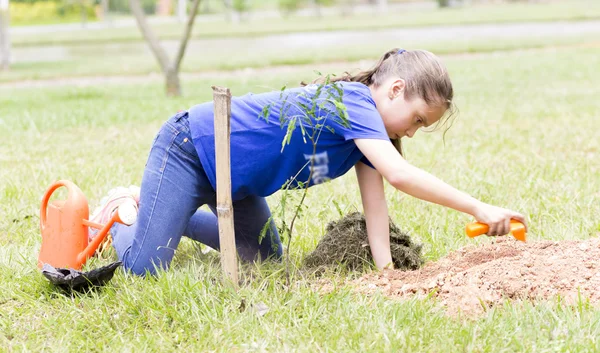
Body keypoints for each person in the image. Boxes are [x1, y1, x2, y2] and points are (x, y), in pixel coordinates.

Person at [90, 48, 527, 276]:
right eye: (415, 119)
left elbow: (377, 210)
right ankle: (124, 212)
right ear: (394, 90)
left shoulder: (368, 140)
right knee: (143, 268)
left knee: (262, 259)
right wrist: (478, 208)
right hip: (191, 150)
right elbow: (400, 175)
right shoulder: (354, 103)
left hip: (237, 185)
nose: (411, 132)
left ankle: (163, 212)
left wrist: (387, 271)